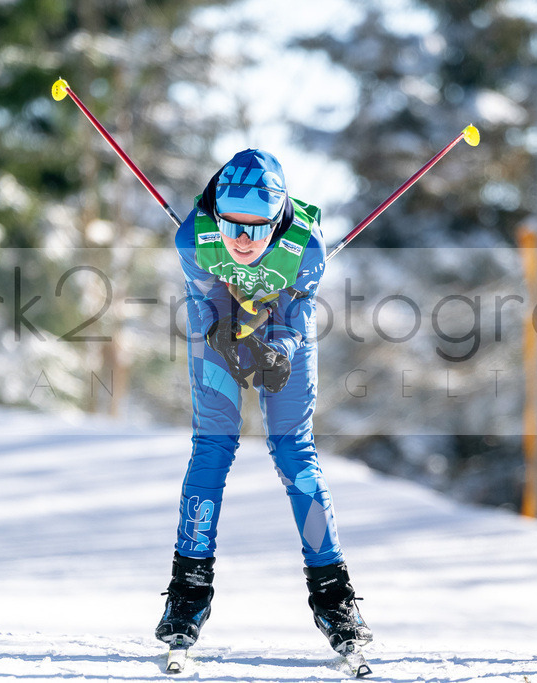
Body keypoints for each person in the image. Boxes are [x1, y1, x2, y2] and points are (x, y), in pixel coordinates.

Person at [155, 148, 373, 655]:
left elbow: (295, 315)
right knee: (213, 444)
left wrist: (278, 350)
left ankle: (332, 593)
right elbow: (208, 304)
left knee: (294, 450)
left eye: (257, 228)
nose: (244, 240)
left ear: (277, 220)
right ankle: (188, 589)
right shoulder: (193, 239)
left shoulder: (306, 248)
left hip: (280, 322)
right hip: (218, 316)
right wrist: (225, 336)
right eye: (233, 226)